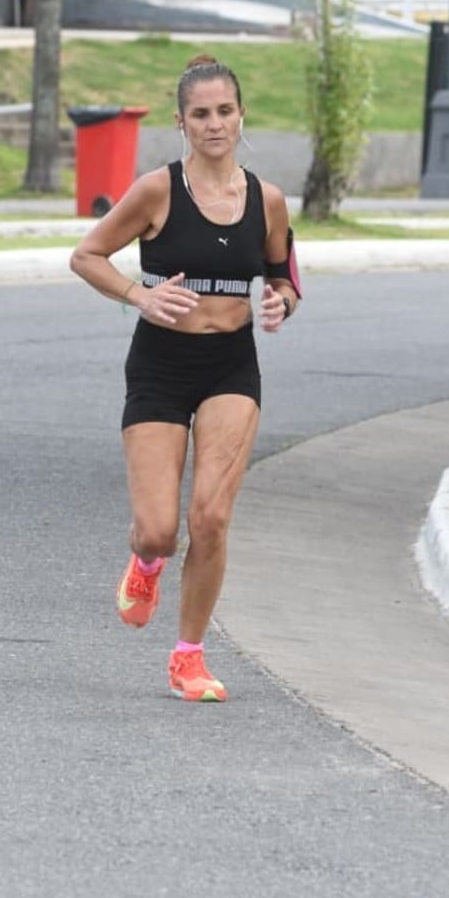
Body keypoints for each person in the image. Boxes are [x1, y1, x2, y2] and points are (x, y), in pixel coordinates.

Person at [68, 54, 300, 703]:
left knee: (212, 515)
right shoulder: (156, 191)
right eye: (200, 114)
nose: (214, 124)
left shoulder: (268, 199)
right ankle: (145, 563)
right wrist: (136, 296)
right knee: (160, 529)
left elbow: (284, 273)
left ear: (240, 114)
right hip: (159, 366)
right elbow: (85, 255)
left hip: (231, 364)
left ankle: (188, 655)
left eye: (224, 110)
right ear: (181, 122)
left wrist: (282, 300)